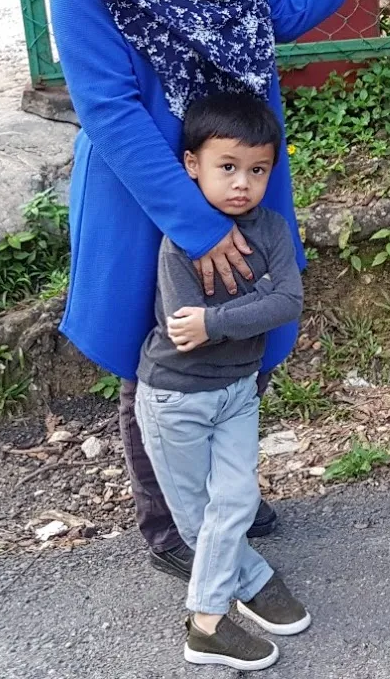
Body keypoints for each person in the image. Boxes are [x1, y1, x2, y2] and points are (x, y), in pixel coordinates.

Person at [47, 0, 390, 579]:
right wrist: (196, 227)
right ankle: (172, 522)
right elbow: (108, 109)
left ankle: (224, 495)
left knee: (244, 336)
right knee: (160, 358)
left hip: (240, 173)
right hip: (149, 195)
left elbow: (280, 20)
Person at [137, 91, 307, 671]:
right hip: (174, 399)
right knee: (202, 517)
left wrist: (219, 320)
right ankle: (230, 602)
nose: (242, 183)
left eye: (257, 170)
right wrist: (245, 310)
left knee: (232, 501)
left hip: (236, 392)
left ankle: (207, 619)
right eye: (227, 167)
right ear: (193, 166)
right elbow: (185, 333)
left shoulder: (274, 229)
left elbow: (289, 301)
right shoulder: (179, 240)